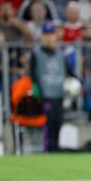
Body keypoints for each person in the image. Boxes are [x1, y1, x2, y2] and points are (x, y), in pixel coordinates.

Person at [30, 22, 69, 152]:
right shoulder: (36, 53)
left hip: (59, 93)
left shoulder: (60, 53)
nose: (49, 38)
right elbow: (33, 75)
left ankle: (56, 147)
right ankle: (48, 148)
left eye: (51, 34)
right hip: (45, 94)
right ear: (42, 36)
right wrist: (38, 92)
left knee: (58, 121)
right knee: (48, 122)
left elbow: (69, 70)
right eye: (46, 34)